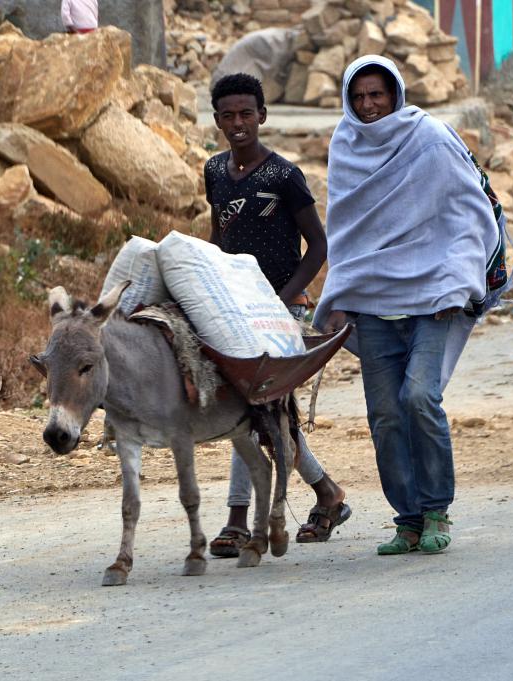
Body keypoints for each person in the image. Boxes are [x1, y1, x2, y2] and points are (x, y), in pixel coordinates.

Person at [314, 55, 505, 555]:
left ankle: (438, 508)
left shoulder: (431, 138)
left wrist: (457, 284)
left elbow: (468, 215)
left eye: (376, 94)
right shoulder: (345, 144)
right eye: (358, 97)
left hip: (433, 298)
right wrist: (342, 293)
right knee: (384, 415)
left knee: (420, 398)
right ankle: (409, 519)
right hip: (373, 303)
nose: (367, 105)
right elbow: (349, 230)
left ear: (396, 93)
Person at [204, 73, 350, 558]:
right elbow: (218, 240)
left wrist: (282, 298)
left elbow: (318, 246)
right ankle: (325, 491)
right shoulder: (215, 172)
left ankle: (237, 519)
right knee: (263, 410)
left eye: (247, 113)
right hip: (235, 308)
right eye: (229, 115)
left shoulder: (283, 176)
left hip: (279, 309)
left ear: (262, 116)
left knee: (254, 404)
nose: (239, 122)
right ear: (218, 121)